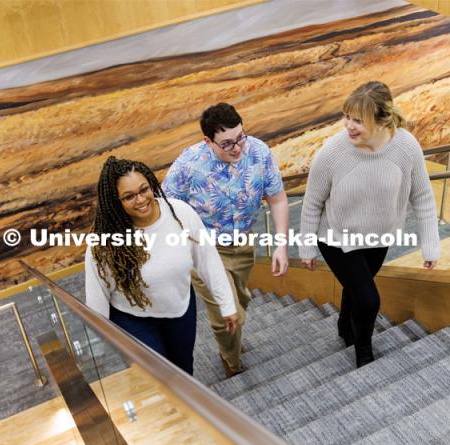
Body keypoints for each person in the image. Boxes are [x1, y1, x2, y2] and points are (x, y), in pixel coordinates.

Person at [299, 81, 440, 368]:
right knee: (368, 299)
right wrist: (307, 246)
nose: (348, 126)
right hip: (338, 239)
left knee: (357, 289)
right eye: (346, 116)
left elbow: (423, 197)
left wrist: (430, 245)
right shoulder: (333, 152)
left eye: (357, 120)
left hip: (379, 238)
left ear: (381, 120)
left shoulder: (406, 146)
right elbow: (312, 202)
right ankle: (363, 352)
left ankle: (344, 323)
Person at [162, 103, 289, 377]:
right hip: (204, 251)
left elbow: (277, 199)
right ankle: (232, 364)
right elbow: (165, 210)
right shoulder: (187, 166)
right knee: (227, 314)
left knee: (241, 301)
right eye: (227, 143)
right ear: (208, 140)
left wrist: (281, 245)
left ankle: (232, 340)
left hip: (244, 245)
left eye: (240, 137)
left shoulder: (258, 152)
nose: (237, 148)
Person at [85, 156, 238, 375]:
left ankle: (187, 408)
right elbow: (97, 296)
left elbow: (207, 258)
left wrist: (227, 304)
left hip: (179, 307)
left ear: (151, 184)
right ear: (115, 201)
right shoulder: (105, 241)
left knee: (184, 368)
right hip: (134, 318)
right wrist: (99, 346)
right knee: (158, 375)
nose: (140, 200)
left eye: (143, 190)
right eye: (128, 197)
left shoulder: (180, 213)